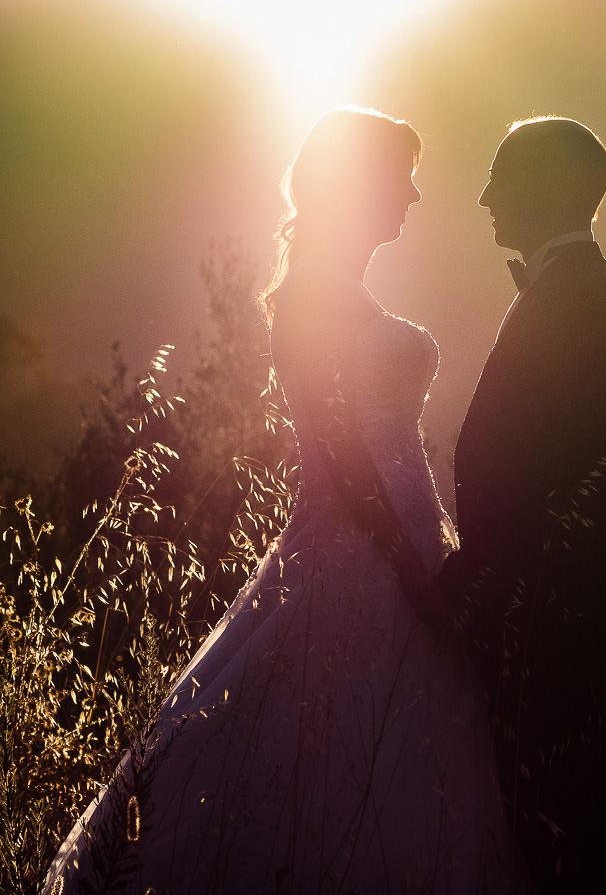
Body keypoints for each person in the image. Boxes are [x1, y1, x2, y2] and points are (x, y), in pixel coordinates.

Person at [40, 107, 529, 895]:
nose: (412, 193)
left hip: (403, 545)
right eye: (400, 174)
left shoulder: (342, 293)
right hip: (358, 555)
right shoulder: (310, 297)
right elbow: (341, 452)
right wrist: (410, 568)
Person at [438, 115, 606, 895]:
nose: (486, 195)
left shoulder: (583, 300)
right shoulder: (575, 292)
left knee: (560, 822)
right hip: (539, 606)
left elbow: (556, 472)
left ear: (551, 188)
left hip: (550, 611)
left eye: (502, 175)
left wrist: (486, 588)